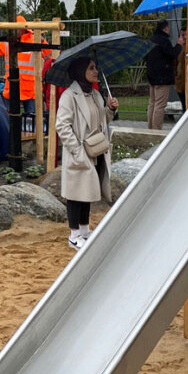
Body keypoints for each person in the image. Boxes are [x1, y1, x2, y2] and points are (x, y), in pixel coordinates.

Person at [55, 55, 118, 249]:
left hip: (95, 149)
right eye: (91, 68)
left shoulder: (95, 94)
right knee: (75, 193)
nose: (95, 71)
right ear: (80, 70)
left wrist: (110, 110)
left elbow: (101, 121)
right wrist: (76, 150)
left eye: (95, 68)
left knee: (87, 190)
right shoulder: (69, 96)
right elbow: (62, 125)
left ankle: (83, 231)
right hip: (80, 151)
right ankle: (74, 235)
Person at [144, 20, 182, 131]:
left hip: (152, 76)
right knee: (160, 105)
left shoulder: (151, 40)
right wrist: (179, 44)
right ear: (165, 28)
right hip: (162, 77)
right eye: (168, 28)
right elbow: (173, 53)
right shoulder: (164, 41)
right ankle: (156, 130)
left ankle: (150, 129)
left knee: (152, 103)